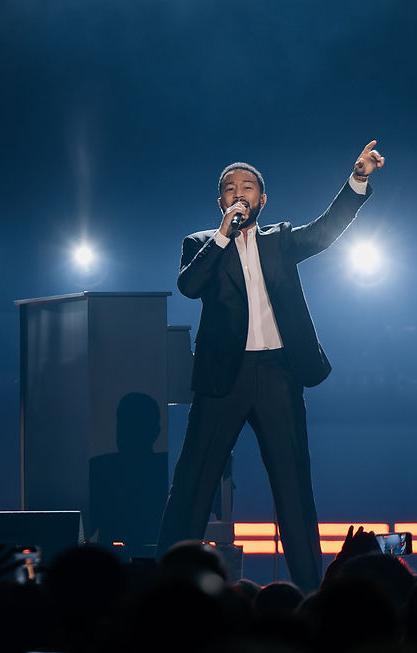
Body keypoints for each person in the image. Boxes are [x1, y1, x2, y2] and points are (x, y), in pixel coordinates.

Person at [156, 141, 385, 593]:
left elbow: (326, 231)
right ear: (220, 201)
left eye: (248, 187)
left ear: (262, 199)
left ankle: (310, 592)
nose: (238, 193)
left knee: (293, 484)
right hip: (224, 377)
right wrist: (223, 235)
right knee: (194, 481)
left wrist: (358, 179)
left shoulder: (280, 239)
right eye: (230, 188)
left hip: (279, 373)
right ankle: (168, 587)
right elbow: (189, 286)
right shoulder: (202, 244)